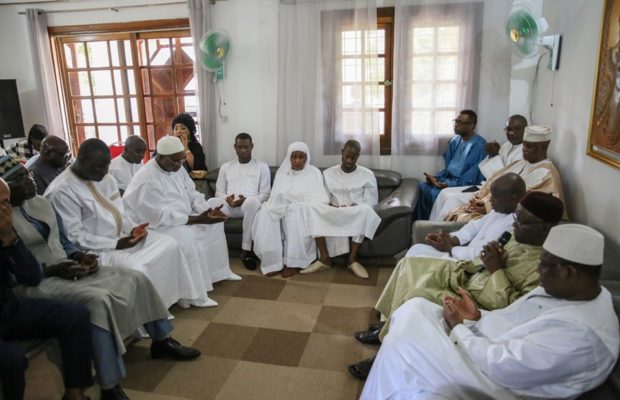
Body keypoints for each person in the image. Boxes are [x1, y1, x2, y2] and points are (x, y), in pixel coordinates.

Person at [2, 168, 202, 400]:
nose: (30, 180)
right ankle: (110, 386)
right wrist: (53, 269)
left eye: (28, 174)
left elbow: (64, 241)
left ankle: (162, 340)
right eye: (20, 179)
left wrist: (78, 256)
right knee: (97, 301)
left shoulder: (40, 203)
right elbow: (12, 274)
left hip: (65, 266)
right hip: (36, 281)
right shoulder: (5, 219)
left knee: (135, 277)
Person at [361, 224, 619, 400]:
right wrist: (477, 317)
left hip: (494, 380)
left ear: (569, 273)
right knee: (415, 308)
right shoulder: (569, 292)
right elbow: (511, 317)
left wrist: (461, 329)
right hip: (483, 341)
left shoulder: (581, 334)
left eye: (544, 266)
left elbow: (505, 366)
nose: (538, 272)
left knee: (403, 351)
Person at [349, 191, 564, 380]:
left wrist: (496, 270)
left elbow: (514, 310)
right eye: (516, 218)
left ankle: (384, 354)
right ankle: (387, 328)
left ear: (545, 227)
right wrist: (469, 256)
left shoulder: (546, 266)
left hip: (478, 301)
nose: (514, 225)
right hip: (466, 276)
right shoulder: (517, 237)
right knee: (409, 264)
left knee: (416, 293)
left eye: (522, 222)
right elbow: (481, 260)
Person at [43, 140, 215, 309]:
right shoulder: (62, 191)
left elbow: (121, 212)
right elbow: (74, 237)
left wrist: (133, 229)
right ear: (81, 160)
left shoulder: (107, 179)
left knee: (170, 244)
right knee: (137, 268)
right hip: (98, 250)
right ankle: (149, 317)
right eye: (99, 167)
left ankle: (174, 298)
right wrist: (115, 244)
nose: (104, 172)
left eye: (107, 166)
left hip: (123, 238)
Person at [0, 178, 93, 400]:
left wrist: (10, 239)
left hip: (7, 308)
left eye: (5, 202)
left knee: (76, 315)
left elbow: (31, 276)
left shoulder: (4, 231)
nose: (4, 210)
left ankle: (74, 394)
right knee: (12, 360)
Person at [123, 136, 240, 302]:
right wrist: (197, 219)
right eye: (175, 161)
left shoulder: (177, 167)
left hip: (185, 216)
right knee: (187, 238)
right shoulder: (147, 179)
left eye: (181, 160)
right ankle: (195, 295)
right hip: (155, 225)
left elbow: (192, 193)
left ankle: (220, 273)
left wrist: (208, 212)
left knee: (214, 226)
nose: (179, 165)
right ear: (161, 156)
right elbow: (159, 215)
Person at [444, 125, 565, 223]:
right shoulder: (521, 162)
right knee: (456, 211)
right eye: (524, 145)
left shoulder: (546, 174)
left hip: (511, 219)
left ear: (544, 147)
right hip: (494, 209)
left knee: (465, 220)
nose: (524, 149)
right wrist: (478, 200)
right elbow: (494, 180)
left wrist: (485, 207)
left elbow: (527, 205)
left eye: (530, 146)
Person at [300, 140, 381, 279]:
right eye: (347, 156)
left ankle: (352, 260)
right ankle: (324, 259)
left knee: (366, 211)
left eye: (353, 157)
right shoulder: (328, 173)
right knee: (311, 207)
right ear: (342, 152)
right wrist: (330, 204)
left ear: (358, 156)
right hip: (333, 210)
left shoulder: (367, 174)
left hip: (354, 211)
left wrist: (355, 204)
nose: (349, 160)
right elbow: (322, 195)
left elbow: (372, 201)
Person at [251, 142, 329, 278]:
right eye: (294, 157)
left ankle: (294, 262)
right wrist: (279, 203)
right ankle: (272, 262)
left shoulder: (313, 172)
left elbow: (321, 198)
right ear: (289, 158)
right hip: (281, 207)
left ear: (306, 158)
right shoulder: (282, 172)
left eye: (301, 157)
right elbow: (275, 195)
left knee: (293, 213)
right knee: (266, 213)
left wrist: (295, 203)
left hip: (302, 209)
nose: (297, 160)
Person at [406, 173, 525, 261]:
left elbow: (483, 254)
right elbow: (473, 227)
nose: (490, 200)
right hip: (461, 253)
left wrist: (450, 249)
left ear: (512, 199)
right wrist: (452, 239)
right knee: (416, 250)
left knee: (415, 261)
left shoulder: (514, 225)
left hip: (470, 264)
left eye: (495, 197)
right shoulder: (499, 211)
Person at [429, 115, 527, 221]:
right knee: (444, 193)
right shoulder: (506, 146)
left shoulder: (525, 152)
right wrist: (493, 154)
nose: (511, 133)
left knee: (452, 198)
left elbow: (505, 179)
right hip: (487, 186)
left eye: (516, 129)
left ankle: (439, 227)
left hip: (496, 193)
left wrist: (494, 156)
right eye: (508, 129)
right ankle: (431, 226)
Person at [414, 110, 487, 220]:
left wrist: (448, 185)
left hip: (465, 184)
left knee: (435, 193)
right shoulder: (455, 140)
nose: (456, 125)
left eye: (460, 123)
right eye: (455, 121)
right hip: (449, 180)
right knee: (423, 187)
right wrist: (436, 178)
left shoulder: (478, 145)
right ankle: (421, 224)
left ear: (472, 125)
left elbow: (472, 176)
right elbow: (449, 168)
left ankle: (433, 225)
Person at [215, 132, 271, 270]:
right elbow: (218, 191)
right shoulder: (226, 167)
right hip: (230, 206)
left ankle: (246, 251)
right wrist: (225, 199)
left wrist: (247, 199)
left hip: (249, 206)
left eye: (246, 147)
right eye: (240, 147)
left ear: (252, 146)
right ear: (235, 147)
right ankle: (212, 250)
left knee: (252, 203)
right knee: (210, 203)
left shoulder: (262, 167)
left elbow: (265, 194)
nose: (243, 150)